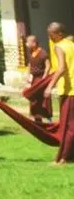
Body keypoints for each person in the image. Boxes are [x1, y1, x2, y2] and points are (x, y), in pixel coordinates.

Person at [45, 22, 74, 165]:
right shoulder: (71, 44)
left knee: (68, 126)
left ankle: (63, 158)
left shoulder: (59, 46)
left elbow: (61, 68)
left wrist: (50, 86)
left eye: (51, 34)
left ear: (59, 34)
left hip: (70, 91)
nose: (49, 37)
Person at [25, 35, 51, 123]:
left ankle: (48, 118)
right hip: (33, 78)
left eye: (28, 42)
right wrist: (27, 76)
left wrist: (44, 79)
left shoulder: (42, 52)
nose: (27, 44)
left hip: (40, 78)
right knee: (33, 98)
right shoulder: (30, 52)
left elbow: (48, 66)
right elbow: (29, 65)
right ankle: (37, 118)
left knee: (42, 99)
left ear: (34, 43)